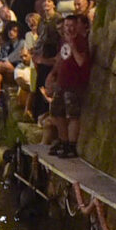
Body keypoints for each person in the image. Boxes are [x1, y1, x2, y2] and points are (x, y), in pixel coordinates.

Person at [40, 13, 90, 158]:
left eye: (71, 26)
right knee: (57, 113)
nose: (68, 29)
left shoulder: (81, 41)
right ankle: (63, 140)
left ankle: (72, 145)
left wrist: (73, 46)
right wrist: (53, 74)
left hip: (74, 83)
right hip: (62, 82)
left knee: (73, 115)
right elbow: (61, 59)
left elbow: (81, 61)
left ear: (77, 26)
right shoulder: (62, 41)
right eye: (66, 26)